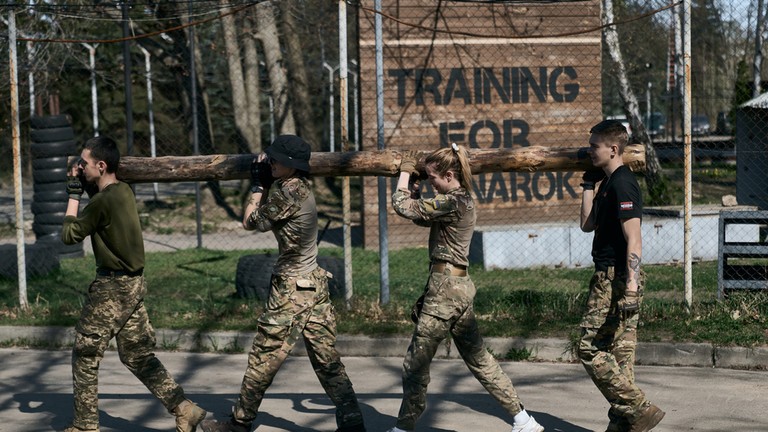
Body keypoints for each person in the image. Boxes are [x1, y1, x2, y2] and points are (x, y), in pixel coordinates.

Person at [200, 135, 366, 432]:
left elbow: (251, 222)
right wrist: (269, 182)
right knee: (327, 362)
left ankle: (239, 425)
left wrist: (257, 187)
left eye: (277, 159)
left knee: (264, 357)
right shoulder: (298, 187)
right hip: (314, 283)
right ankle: (354, 424)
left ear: (292, 165)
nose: (272, 162)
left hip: (291, 290)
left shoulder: (286, 192)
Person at [387, 143, 544, 432]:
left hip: (445, 292)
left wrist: (406, 172)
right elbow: (421, 216)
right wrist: (417, 191)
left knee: (416, 363)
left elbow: (401, 206)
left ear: (449, 175)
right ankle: (524, 420)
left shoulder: (451, 202)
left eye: (433, 178)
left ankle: (403, 428)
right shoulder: (461, 200)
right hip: (457, 287)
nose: (431, 183)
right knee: (479, 359)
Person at [60, 136, 206, 432]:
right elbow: (100, 205)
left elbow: (70, 235)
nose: (81, 167)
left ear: (101, 166)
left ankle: (85, 426)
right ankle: (185, 409)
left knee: (85, 354)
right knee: (137, 355)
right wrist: (85, 181)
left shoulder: (101, 202)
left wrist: (73, 191)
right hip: (134, 284)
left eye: (84, 163)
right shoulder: (123, 191)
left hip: (112, 289)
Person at [578, 120, 665, 432]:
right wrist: (588, 186)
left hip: (617, 278)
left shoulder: (624, 183)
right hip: (609, 276)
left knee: (589, 348)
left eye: (594, 146)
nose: (589, 150)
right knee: (621, 354)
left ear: (613, 149)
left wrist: (630, 285)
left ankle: (639, 408)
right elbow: (587, 225)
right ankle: (623, 423)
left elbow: (635, 239)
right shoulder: (607, 184)